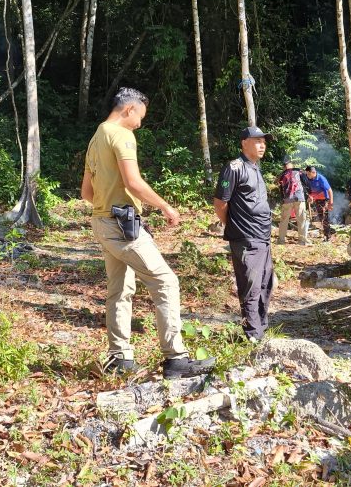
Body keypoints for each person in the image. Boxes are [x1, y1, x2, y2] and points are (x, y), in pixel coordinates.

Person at [82, 87, 215, 379]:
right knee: (166, 281)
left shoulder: (96, 137)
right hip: (122, 226)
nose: (140, 123)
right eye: (140, 116)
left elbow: (86, 192)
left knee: (120, 289)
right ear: (128, 109)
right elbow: (133, 181)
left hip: (103, 221)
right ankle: (175, 358)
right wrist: (166, 206)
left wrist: (108, 207)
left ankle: (120, 357)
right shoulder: (122, 135)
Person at [214, 126, 275, 342]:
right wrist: (233, 225)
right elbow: (220, 203)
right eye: (257, 141)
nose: (262, 145)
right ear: (244, 143)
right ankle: (252, 336)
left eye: (264, 142)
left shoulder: (255, 168)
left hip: (263, 237)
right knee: (251, 287)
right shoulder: (234, 168)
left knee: (265, 285)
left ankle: (261, 330)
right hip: (246, 238)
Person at [276, 161, 310, 245]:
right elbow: (306, 183)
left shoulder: (282, 175)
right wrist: (308, 195)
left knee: (284, 220)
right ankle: (302, 241)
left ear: (284, 167)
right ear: (292, 166)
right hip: (299, 198)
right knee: (301, 219)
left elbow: (280, 188)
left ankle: (281, 240)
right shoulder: (299, 172)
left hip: (287, 199)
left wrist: (283, 199)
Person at [302, 165, 334, 241]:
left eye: (308, 174)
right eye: (306, 174)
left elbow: (330, 191)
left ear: (313, 172)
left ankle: (328, 236)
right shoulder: (308, 178)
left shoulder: (321, 179)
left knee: (324, 218)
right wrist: (310, 197)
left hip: (324, 199)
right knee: (321, 217)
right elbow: (309, 190)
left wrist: (330, 203)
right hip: (317, 199)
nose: (307, 175)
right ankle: (328, 232)